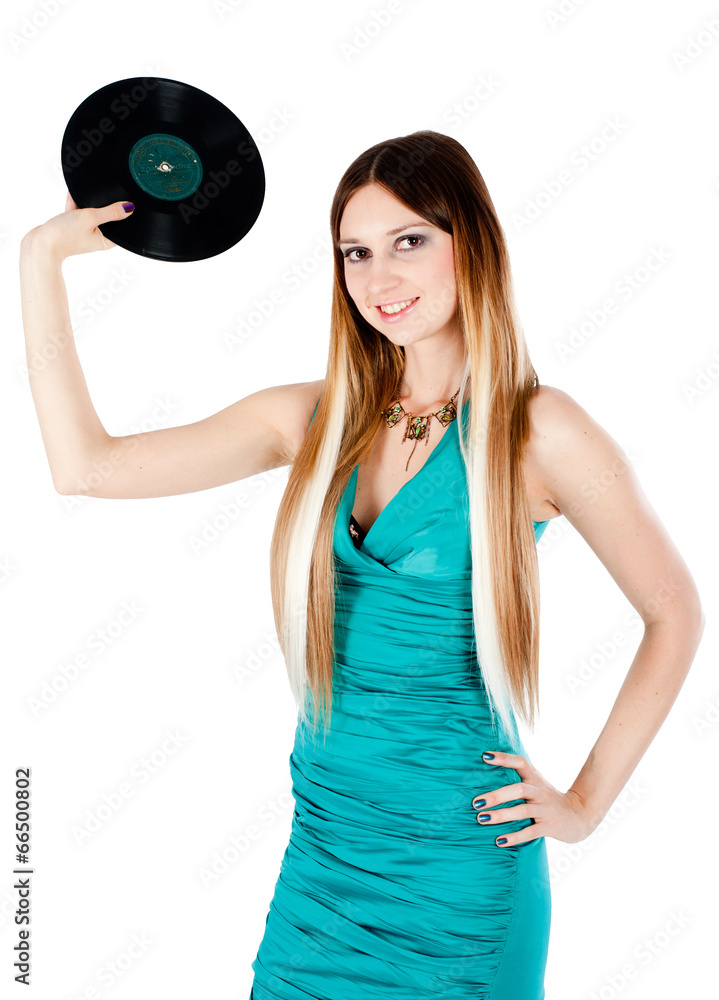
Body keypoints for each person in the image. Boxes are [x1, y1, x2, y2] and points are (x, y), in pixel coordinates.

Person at [20, 130, 704, 1000]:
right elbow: (87, 467)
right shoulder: (311, 419)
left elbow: (673, 610)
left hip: (461, 875)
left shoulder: (539, 431)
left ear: (473, 243)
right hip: (324, 865)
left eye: (409, 241)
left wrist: (582, 804)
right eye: (355, 253)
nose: (378, 279)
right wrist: (40, 261)